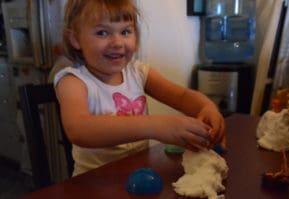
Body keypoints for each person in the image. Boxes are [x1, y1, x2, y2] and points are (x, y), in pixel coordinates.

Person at [54, 0, 225, 176]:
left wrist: (207, 108)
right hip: (92, 183)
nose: (117, 42)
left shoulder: (138, 72)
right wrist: (156, 126)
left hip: (139, 174)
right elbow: (79, 129)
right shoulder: (73, 81)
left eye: (125, 31)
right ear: (75, 39)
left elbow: (181, 96)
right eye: (102, 32)